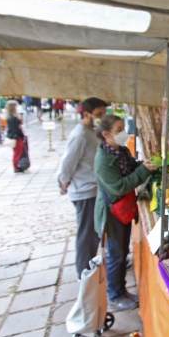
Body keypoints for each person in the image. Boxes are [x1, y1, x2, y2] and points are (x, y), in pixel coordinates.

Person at [94, 114, 158, 310]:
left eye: (123, 128)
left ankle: (122, 290)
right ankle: (115, 296)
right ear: (106, 134)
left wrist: (146, 165)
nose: (123, 133)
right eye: (118, 130)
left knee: (122, 252)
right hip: (112, 211)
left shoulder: (120, 151)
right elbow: (120, 186)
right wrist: (143, 171)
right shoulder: (103, 161)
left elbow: (132, 169)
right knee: (115, 254)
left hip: (124, 208)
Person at [59, 97, 108, 278]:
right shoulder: (79, 135)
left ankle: (92, 266)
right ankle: (84, 274)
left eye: (104, 114)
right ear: (86, 114)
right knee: (87, 235)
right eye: (98, 114)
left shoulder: (93, 131)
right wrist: (63, 182)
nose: (102, 118)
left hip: (95, 189)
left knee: (96, 232)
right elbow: (67, 163)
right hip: (84, 192)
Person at [4, 100, 26, 172]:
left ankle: (17, 166)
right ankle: (16, 166)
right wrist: (22, 136)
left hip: (14, 136)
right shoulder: (12, 118)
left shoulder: (11, 116)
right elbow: (17, 129)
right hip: (16, 137)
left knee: (18, 152)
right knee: (18, 152)